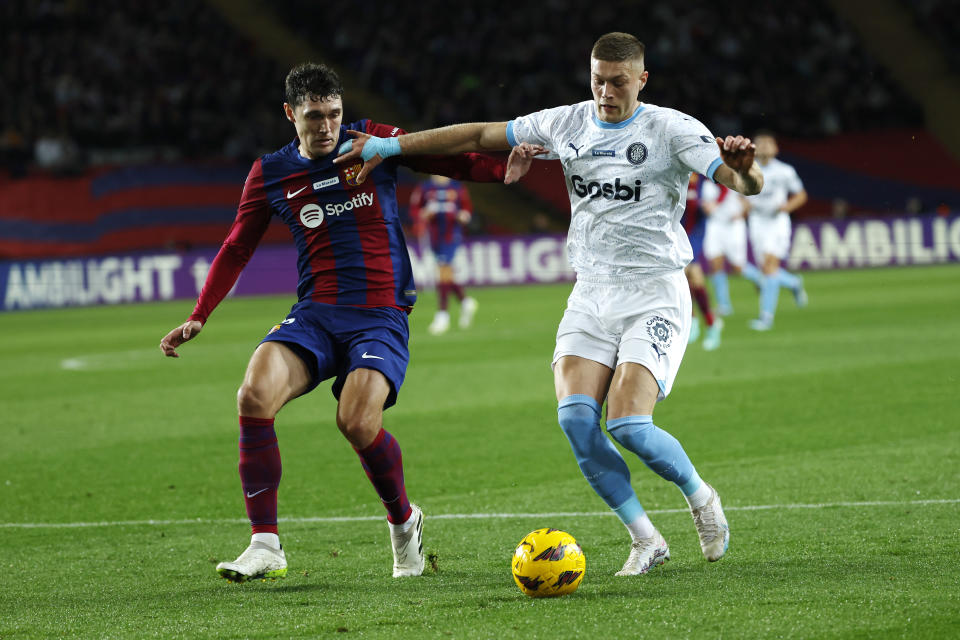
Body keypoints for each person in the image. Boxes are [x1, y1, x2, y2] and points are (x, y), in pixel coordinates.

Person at [337, 32, 763, 576]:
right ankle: (646, 539)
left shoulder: (673, 129)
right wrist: (390, 145)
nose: (606, 92)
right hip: (590, 292)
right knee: (577, 422)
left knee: (629, 425)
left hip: (654, 290)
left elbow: (740, 182)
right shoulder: (568, 122)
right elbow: (481, 133)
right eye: (597, 79)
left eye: (618, 81)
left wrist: (744, 168)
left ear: (642, 79)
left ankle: (701, 498)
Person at [159, 62, 537, 582]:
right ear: (291, 114)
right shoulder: (270, 173)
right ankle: (265, 544)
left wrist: (500, 171)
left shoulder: (372, 142)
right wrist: (200, 315)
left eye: (334, 114)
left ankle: (404, 521)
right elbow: (236, 245)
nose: (327, 126)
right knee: (252, 395)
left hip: (379, 313)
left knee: (357, 422)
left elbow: (441, 158)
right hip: (314, 313)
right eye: (314, 116)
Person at [743, 131, 808, 331]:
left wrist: (786, 207)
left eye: (767, 143)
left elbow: (801, 195)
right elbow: (738, 194)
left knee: (770, 267)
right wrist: (744, 206)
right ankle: (794, 283)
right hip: (757, 222)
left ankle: (766, 317)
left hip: (777, 222)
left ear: (776, 148)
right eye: (759, 143)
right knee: (766, 270)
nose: (763, 147)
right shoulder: (746, 169)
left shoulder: (785, 171)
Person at [408, 175, 478, 334]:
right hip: (434, 235)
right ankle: (465, 301)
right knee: (445, 273)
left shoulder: (457, 187)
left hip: (451, 235)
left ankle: (442, 315)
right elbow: (415, 209)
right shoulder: (425, 188)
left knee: (443, 271)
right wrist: (423, 214)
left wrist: (463, 216)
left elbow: (467, 209)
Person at [698, 174, 751, 317]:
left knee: (738, 268)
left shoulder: (731, 175)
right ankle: (724, 305)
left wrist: (743, 213)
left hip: (732, 225)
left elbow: (745, 200)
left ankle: (766, 281)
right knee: (715, 264)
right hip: (714, 224)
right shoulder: (703, 181)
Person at [683, 173, 723, 351]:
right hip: (677, 230)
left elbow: (723, 186)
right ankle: (702, 322)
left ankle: (706, 322)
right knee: (686, 278)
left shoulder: (702, 176)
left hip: (696, 231)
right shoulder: (676, 171)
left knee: (690, 272)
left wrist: (715, 202)